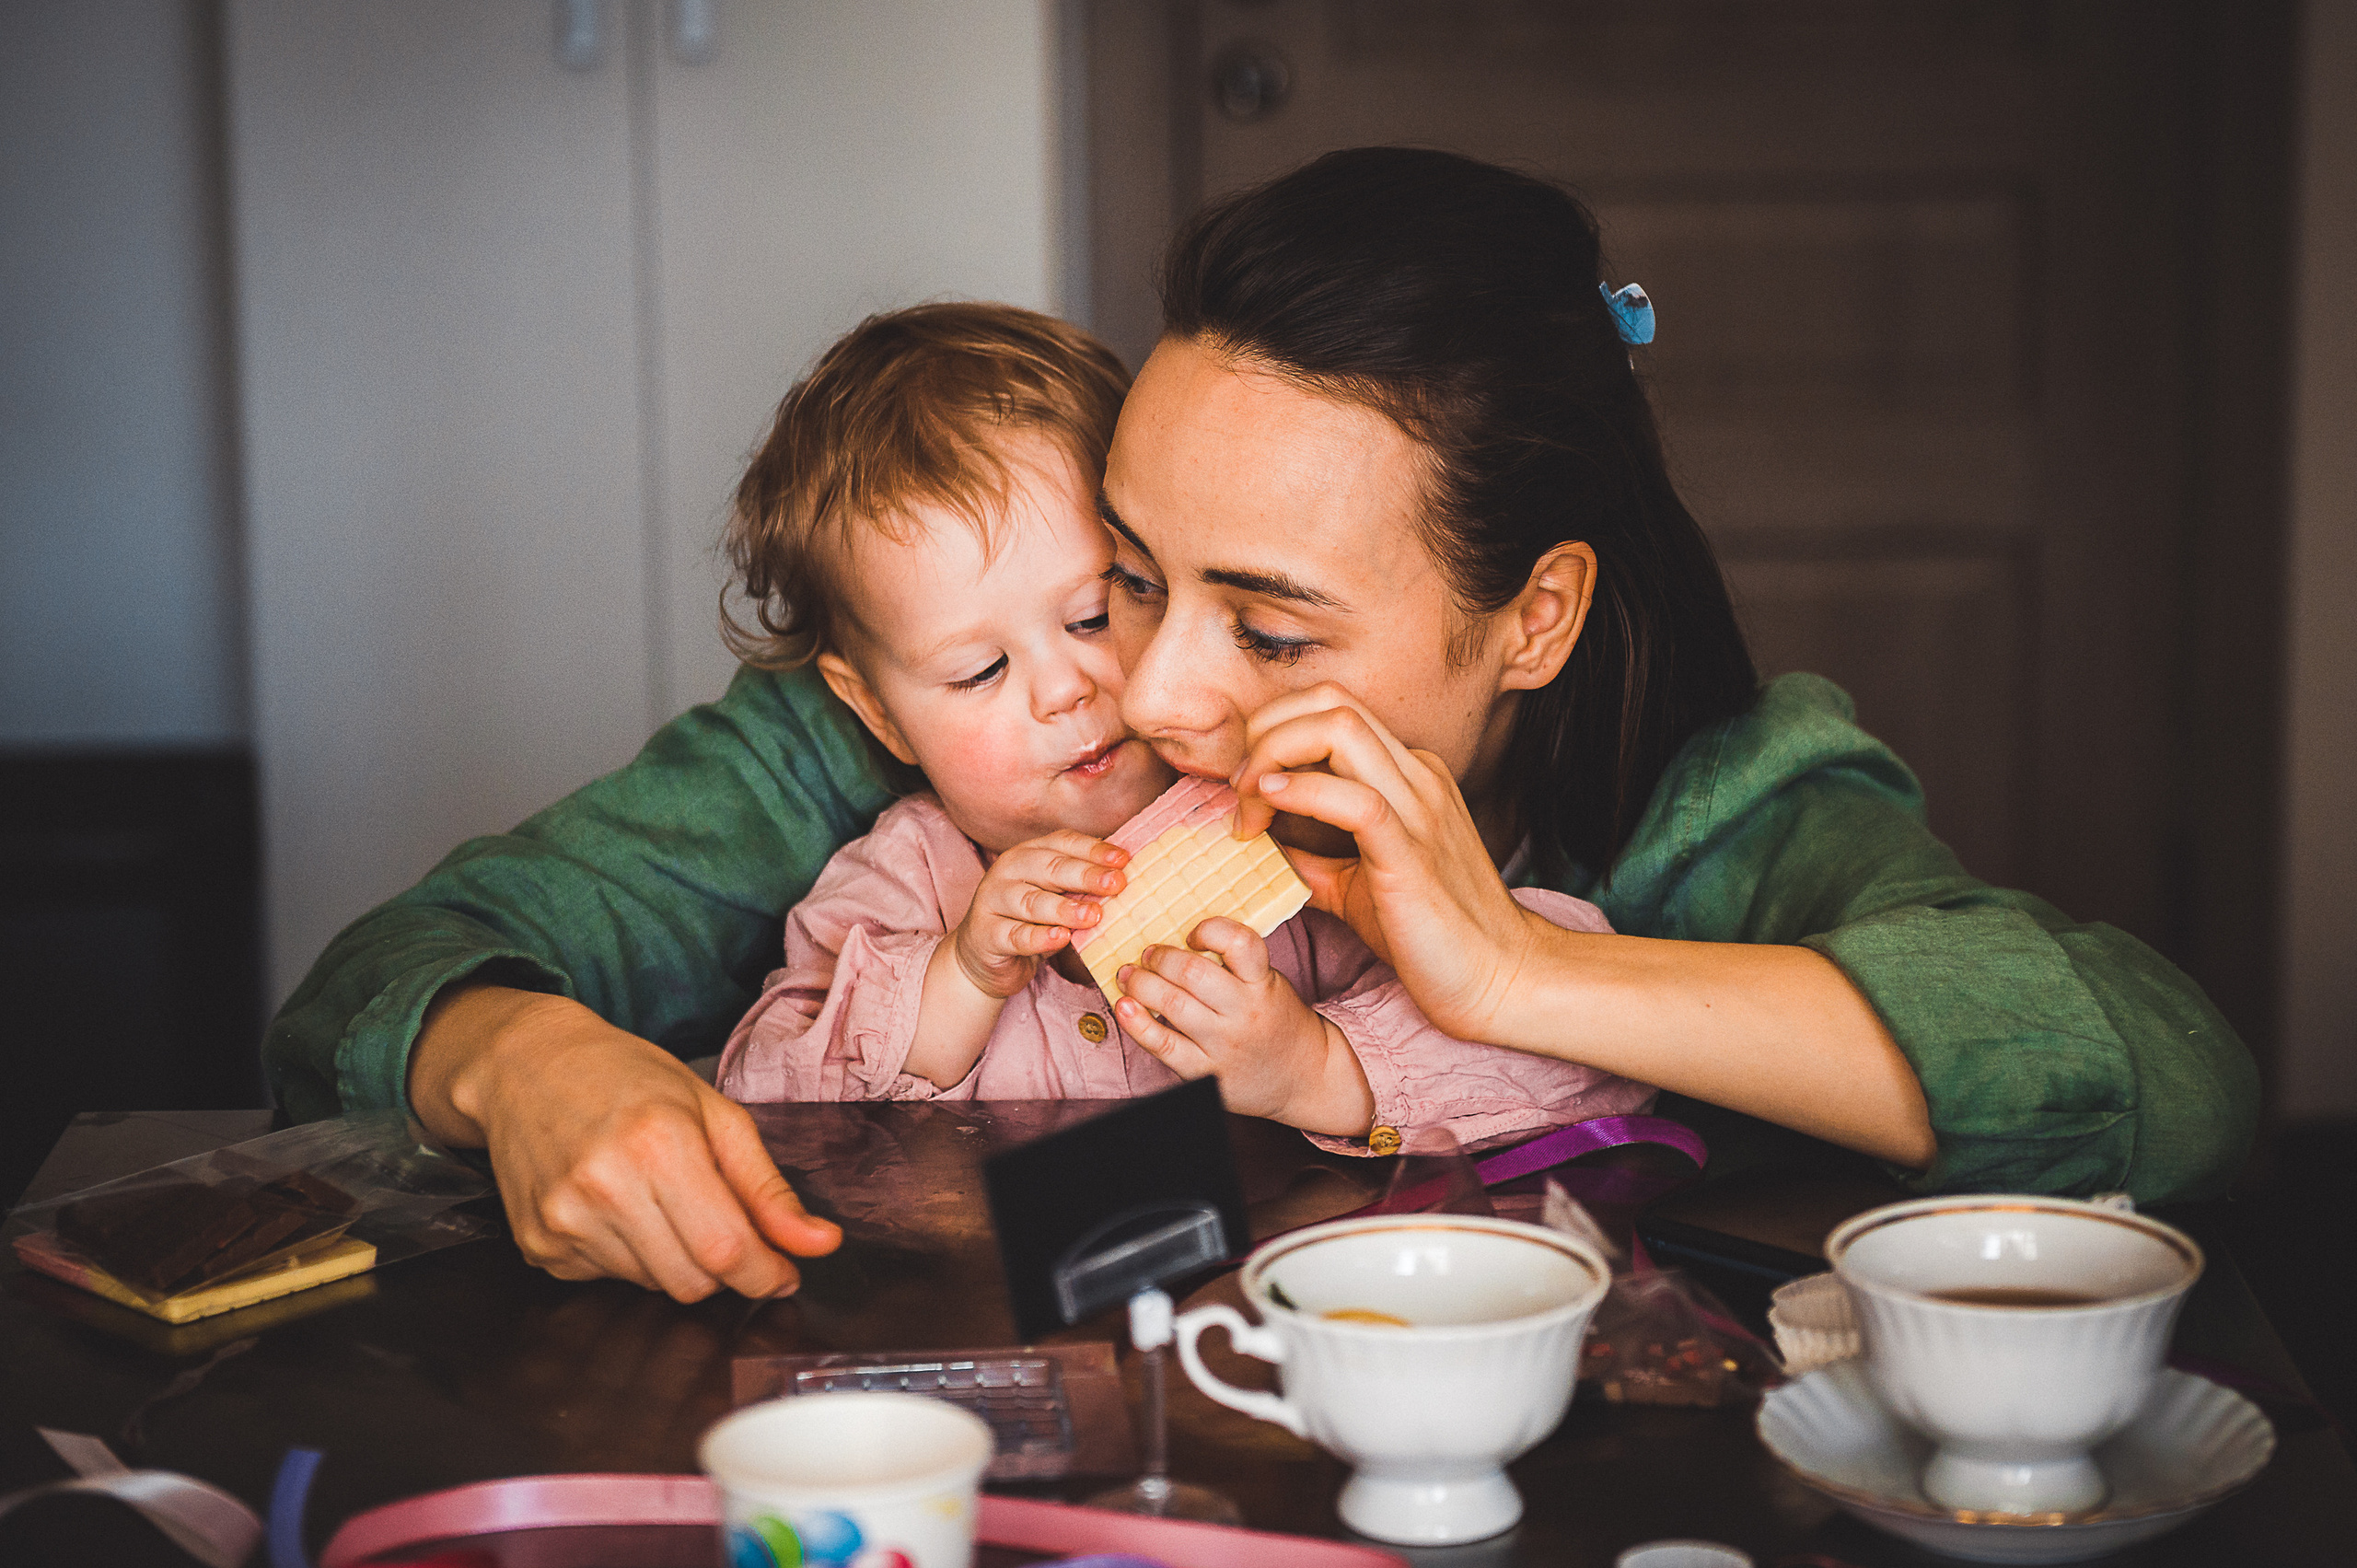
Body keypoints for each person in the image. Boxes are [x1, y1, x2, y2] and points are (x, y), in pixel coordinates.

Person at [262, 148, 2258, 1304]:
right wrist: (516, 1054)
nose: (1134, 693)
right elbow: (375, 983)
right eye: (1135, 565)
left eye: (1270, 621)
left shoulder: (1700, 788)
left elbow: (2159, 1070)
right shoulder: (913, 749)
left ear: (1531, 616)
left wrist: (1487, 965)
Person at [707, 303, 1651, 1151]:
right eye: (980, 670)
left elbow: (1600, 1053)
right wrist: (957, 979)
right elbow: (757, 1098)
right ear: (878, 710)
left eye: (1096, 612)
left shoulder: (1274, 830)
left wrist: (1316, 1067)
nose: (1063, 691)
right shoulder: (902, 882)